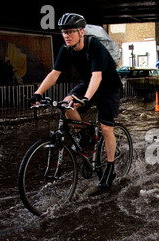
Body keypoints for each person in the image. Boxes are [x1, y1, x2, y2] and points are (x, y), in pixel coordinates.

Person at [29, 13, 123, 189]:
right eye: (64, 32)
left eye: (71, 31)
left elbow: (97, 77)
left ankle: (110, 167)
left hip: (109, 87)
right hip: (87, 83)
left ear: (81, 32)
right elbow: (54, 74)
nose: (66, 35)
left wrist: (86, 98)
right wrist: (38, 93)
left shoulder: (94, 46)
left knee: (105, 127)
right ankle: (82, 134)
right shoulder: (66, 49)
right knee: (66, 104)